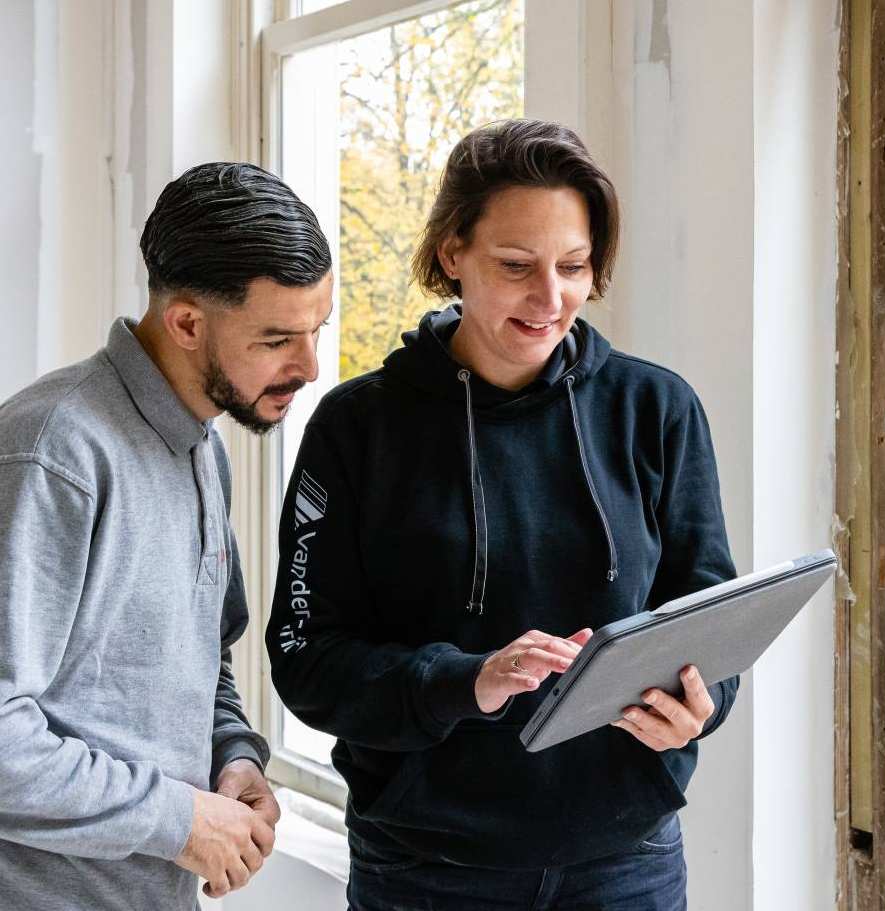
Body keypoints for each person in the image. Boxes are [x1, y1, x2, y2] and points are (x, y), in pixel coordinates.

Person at [267, 120, 737, 910]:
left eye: (575, 266)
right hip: (429, 867)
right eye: (516, 266)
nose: (549, 299)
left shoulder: (656, 409)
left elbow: (710, 616)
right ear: (453, 253)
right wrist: (465, 681)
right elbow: (307, 659)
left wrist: (701, 705)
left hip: (627, 862)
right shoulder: (358, 428)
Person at [0, 162, 333, 910]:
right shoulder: (55, 452)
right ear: (186, 322)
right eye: (279, 338)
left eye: (317, 331)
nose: (309, 366)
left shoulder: (203, 444)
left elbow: (195, 659)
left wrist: (233, 755)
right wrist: (179, 818)